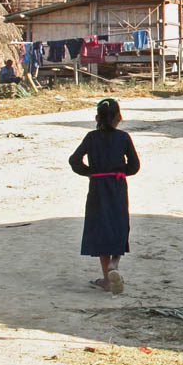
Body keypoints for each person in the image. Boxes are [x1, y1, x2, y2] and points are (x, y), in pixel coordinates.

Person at [68, 99, 140, 295]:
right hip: (116, 186)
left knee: (101, 226)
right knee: (118, 224)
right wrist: (119, 171)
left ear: (97, 118)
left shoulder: (91, 138)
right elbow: (134, 166)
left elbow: (74, 161)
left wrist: (91, 172)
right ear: (119, 118)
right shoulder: (124, 137)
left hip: (98, 188)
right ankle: (115, 264)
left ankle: (107, 280)